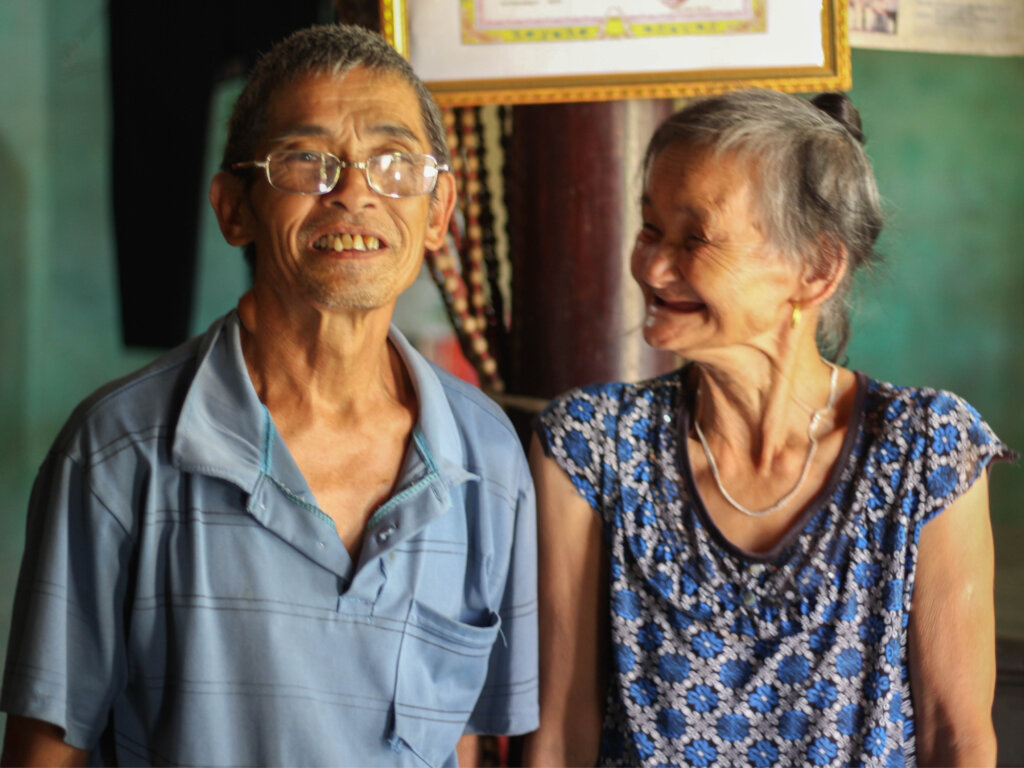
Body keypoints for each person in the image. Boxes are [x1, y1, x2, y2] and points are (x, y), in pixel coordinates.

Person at [1, 24, 537, 766]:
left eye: (393, 162)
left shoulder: (487, 456)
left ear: (439, 210)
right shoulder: (118, 449)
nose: (354, 191)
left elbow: (472, 743)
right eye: (306, 161)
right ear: (234, 209)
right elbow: (46, 750)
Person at [524, 89, 1012, 767]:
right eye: (649, 228)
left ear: (814, 270)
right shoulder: (593, 443)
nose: (652, 266)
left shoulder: (924, 449)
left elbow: (955, 738)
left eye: (694, 237)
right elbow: (559, 735)